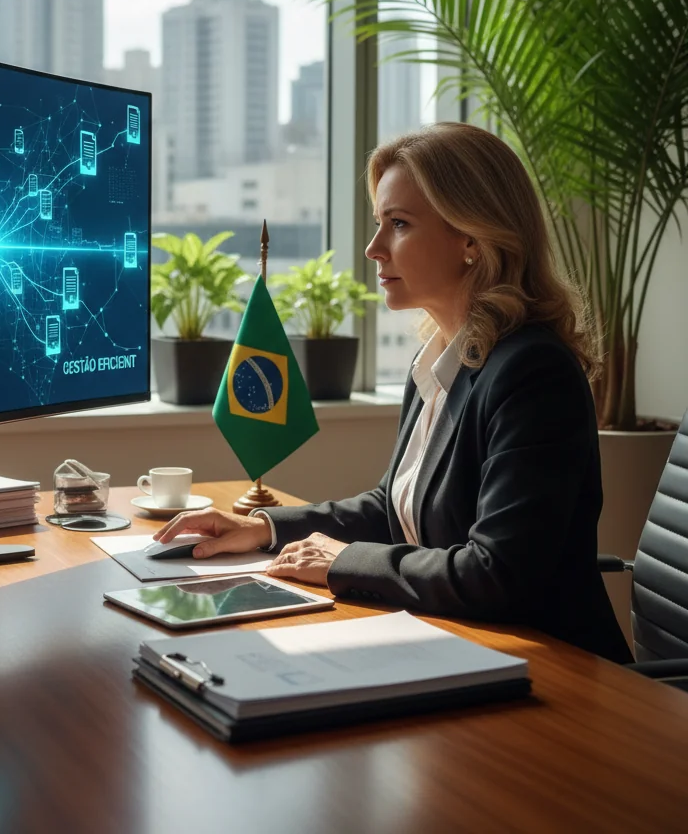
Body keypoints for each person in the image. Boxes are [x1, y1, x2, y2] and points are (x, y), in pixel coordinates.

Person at [155, 122, 632, 664]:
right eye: (380, 223)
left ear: (472, 238)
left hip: (553, 671)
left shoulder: (532, 372)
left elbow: (498, 573)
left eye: (398, 225)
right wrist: (264, 526)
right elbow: (393, 507)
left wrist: (345, 561)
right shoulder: (438, 360)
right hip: (459, 647)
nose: (373, 248)